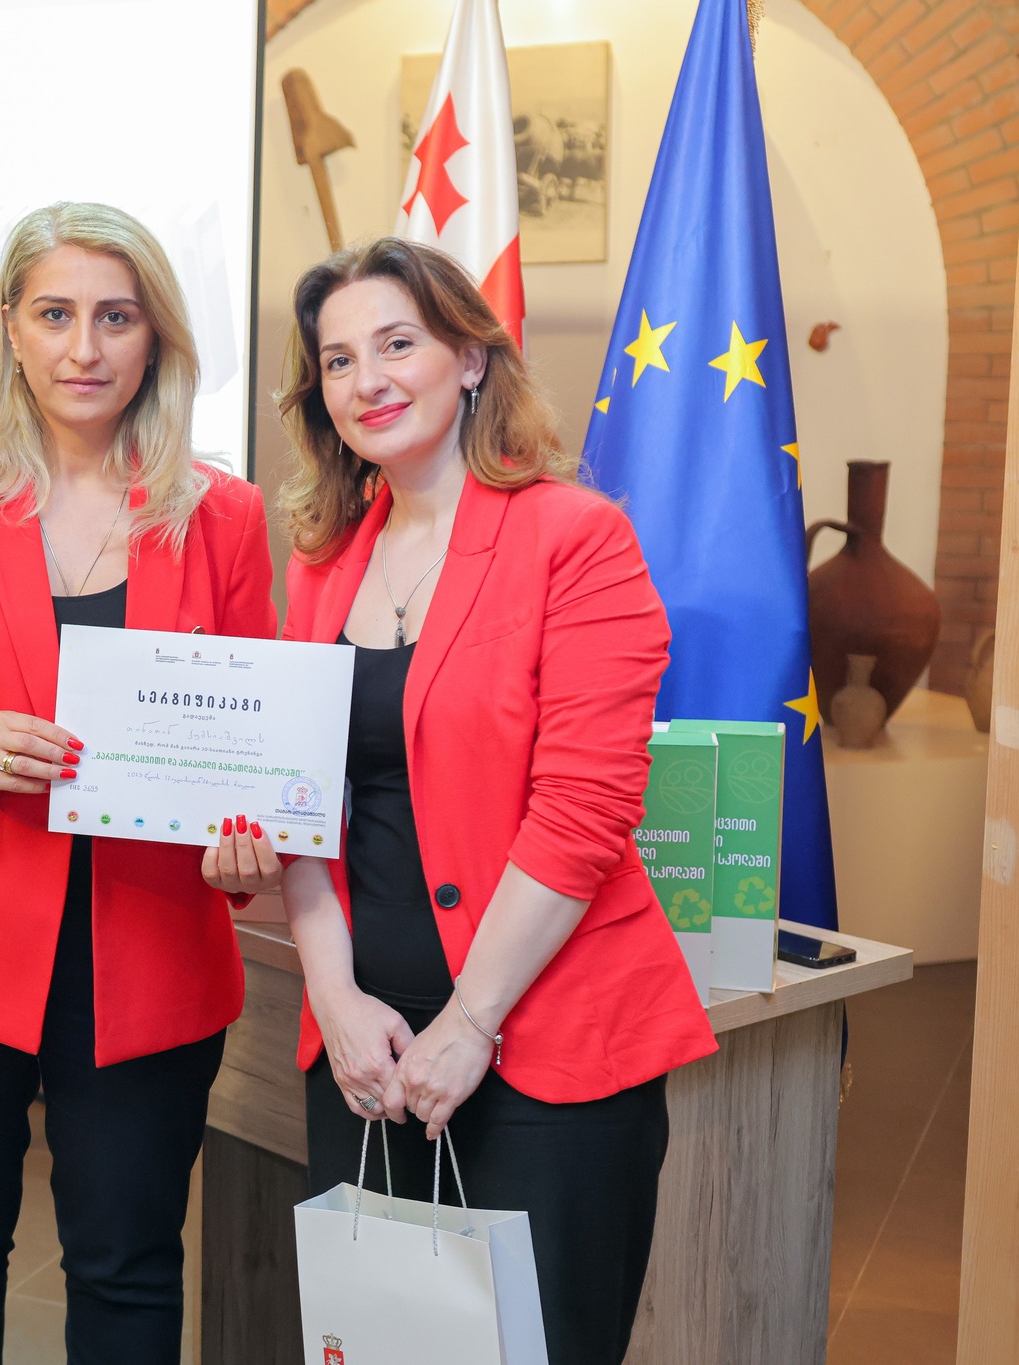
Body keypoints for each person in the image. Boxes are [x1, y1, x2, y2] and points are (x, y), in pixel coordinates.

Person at [0, 201, 277, 1365]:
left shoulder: (222, 516)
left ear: (155, 337)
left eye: (115, 317)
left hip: (147, 946)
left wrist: (246, 835)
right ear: (10, 331)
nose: (84, 348)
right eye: (55, 314)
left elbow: (256, 740)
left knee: (128, 1270)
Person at [271, 237, 716, 1365]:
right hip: (366, 1051)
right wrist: (334, 1000)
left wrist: (469, 1024)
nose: (366, 380)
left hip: (541, 1044)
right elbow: (297, 802)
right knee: (376, 1348)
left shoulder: (574, 536)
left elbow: (582, 812)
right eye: (337, 361)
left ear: (470, 358)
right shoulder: (321, 563)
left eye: (396, 344)